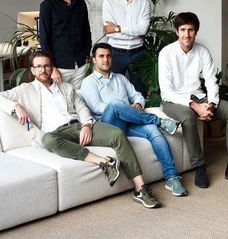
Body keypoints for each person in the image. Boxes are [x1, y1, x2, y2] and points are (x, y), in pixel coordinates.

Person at [0, 50, 162, 209]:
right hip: (56, 134)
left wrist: (86, 125)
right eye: (39, 66)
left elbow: (82, 108)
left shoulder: (66, 88)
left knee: (117, 134)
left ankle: (140, 189)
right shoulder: (25, 89)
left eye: (47, 66)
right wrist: (16, 106)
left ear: (52, 67)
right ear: (33, 70)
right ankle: (103, 162)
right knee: (48, 140)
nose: (43, 70)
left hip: (78, 127)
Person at [80, 42, 188, 197]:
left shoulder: (120, 78)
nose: (106, 59)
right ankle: (160, 121)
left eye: (109, 56)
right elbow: (97, 107)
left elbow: (137, 95)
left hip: (129, 122)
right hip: (108, 126)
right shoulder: (88, 82)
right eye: (101, 56)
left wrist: (137, 103)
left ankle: (171, 178)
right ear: (94, 60)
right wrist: (126, 108)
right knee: (115, 104)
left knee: (154, 132)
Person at [158, 12, 228, 188]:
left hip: (199, 96)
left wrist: (212, 105)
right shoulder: (166, 54)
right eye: (183, 30)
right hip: (173, 100)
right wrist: (195, 106)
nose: (187, 34)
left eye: (191, 30)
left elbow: (211, 81)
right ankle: (199, 166)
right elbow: (167, 90)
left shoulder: (203, 52)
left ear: (196, 32)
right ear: (177, 32)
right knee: (188, 116)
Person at [39, 0, 92, 90]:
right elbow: (44, 39)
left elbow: (86, 32)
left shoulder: (81, 4)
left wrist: (86, 54)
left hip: (80, 65)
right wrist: (52, 67)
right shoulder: (47, 6)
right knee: (59, 104)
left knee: (78, 99)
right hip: (59, 67)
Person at [102, 0, 150, 96]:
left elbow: (143, 29)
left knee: (140, 92)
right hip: (116, 53)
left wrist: (118, 28)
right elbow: (109, 31)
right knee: (115, 92)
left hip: (138, 53)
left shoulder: (143, 3)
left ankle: (139, 116)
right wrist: (132, 30)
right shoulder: (109, 2)